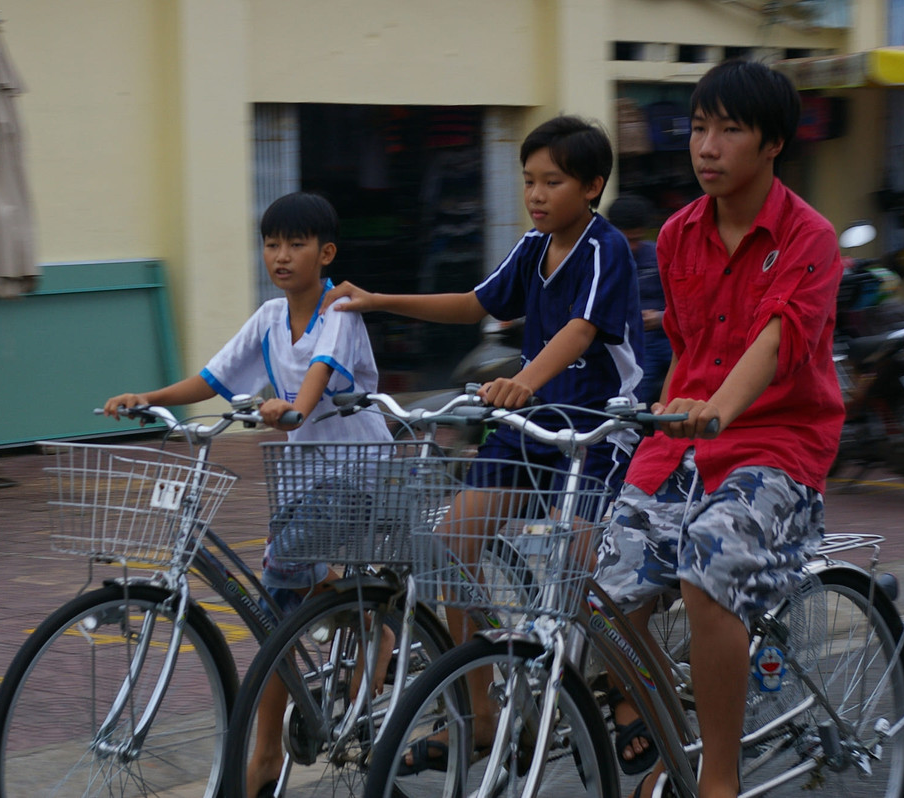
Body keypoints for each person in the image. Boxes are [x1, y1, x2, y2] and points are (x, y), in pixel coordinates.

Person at [325, 114, 645, 767]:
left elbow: (580, 331)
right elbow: (477, 304)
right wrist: (379, 299)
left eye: (551, 181)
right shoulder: (534, 245)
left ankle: (626, 690)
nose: (535, 193)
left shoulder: (602, 248)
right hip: (534, 426)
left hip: (599, 429)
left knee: (583, 575)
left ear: (592, 186)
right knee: (448, 545)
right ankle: (479, 711)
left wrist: (522, 380)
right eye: (528, 180)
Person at [593, 59, 844, 798]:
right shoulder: (676, 235)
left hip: (777, 447)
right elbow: (688, 349)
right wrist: (661, 428)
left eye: (729, 131)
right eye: (700, 128)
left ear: (771, 144)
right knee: (596, 585)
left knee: (708, 566)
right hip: (686, 436)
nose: (707, 147)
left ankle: (719, 780)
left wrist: (720, 410)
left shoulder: (810, 237)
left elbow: (773, 340)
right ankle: (677, 739)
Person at [102, 191, 393, 798]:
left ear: (326, 252)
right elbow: (211, 378)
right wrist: (149, 398)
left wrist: (292, 410)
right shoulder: (266, 318)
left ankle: (268, 751)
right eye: (271, 244)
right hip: (303, 480)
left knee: (280, 594)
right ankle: (352, 631)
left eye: (296, 244)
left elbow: (316, 376)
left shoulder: (339, 310)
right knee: (277, 614)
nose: (281, 256)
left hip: (360, 473)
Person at [608, 193, 670, 407]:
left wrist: (660, 318)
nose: (633, 247)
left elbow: (682, 305)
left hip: (665, 337)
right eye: (627, 240)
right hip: (632, 345)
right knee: (638, 389)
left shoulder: (657, 255)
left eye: (637, 239)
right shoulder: (602, 264)